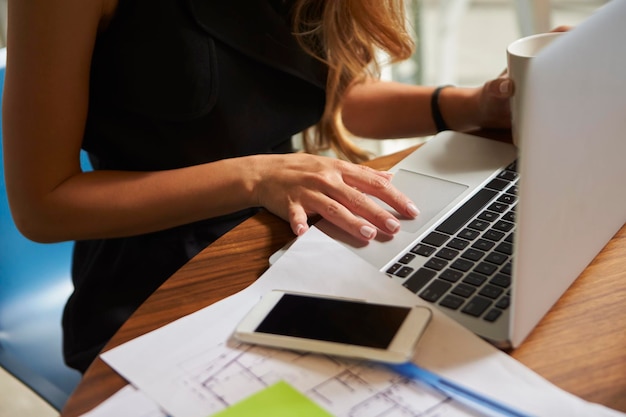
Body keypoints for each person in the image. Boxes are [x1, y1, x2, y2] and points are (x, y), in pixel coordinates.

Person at [2, 0, 513, 373]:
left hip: (289, 240)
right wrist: (256, 176)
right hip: (151, 281)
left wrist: (468, 106)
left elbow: (334, 91)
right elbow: (44, 205)